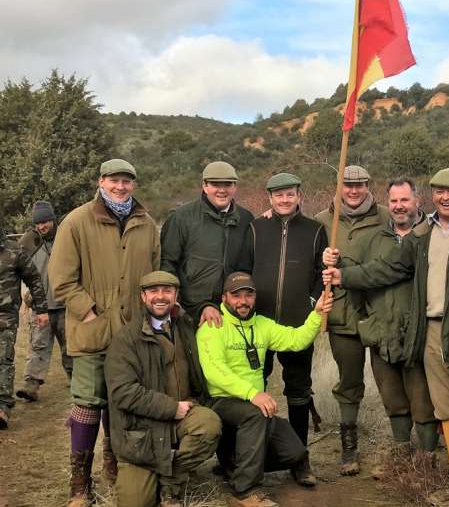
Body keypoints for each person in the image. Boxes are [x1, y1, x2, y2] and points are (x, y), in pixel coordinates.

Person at [324, 168, 449, 505]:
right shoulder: (422, 234)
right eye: (440, 192)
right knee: (446, 405)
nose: (445, 197)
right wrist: (344, 275)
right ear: (432, 196)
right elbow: (388, 268)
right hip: (429, 330)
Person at [50, 159, 160, 507]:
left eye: (127, 181)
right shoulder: (76, 221)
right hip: (92, 331)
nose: (120, 186)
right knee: (87, 403)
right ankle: (80, 482)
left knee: (122, 401)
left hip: (132, 334)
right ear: (101, 181)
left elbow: (156, 274)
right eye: (114, 180)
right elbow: (61, 279)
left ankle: (115, 466)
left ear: (134, 185)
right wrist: (90, 310)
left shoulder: (147, 223)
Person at [325, 178, 438, 477]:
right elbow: (357, 274)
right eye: (394, 201)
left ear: (417, 201)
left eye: (405, 200)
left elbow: (379, 272)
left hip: (418, 331)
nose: (400, 206)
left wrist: (346, 276)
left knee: (422, 398)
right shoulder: (376, 238)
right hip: (381, 330)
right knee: (393, 397)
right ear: (388, 204)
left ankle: (428, 458)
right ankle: (401, 452)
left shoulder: (431, 235)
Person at [197, 272, 333, 507]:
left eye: (248, 295)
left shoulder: (261, 325)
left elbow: (296, 339)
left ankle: (235, 464)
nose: (243, 301)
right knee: (257, 413)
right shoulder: (213, 326)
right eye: (236, 295)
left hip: (253, 405)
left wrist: (317, 313)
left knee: (295, 452)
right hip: (221, 401)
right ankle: (245, 490)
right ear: (225, 297)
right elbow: (215, 373)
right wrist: (253, 394)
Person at [105, 271, 222, 507]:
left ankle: (171, 482)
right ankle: (155, 474)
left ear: (176, 295)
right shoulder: (126, 339)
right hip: (141, 432)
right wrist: (171, 408)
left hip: (182, 418)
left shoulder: (185, 328)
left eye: (167, 291)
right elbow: (123, 392)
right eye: (154, 291)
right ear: (143, 296)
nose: (161, 297)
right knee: (135, 502)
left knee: (209, 425)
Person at [250, 172, 327, 486]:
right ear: (269, 197)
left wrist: (311, 301)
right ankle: (250, 456)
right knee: (254, 389)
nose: (284, 200)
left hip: (297, 325)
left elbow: (324, 273)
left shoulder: (315, 230)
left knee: (298, 391)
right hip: (259, 325)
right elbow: (241, 268)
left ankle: (300, 459)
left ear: (299, 195)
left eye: (290, 194)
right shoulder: (255, 228)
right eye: (278, 195)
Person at [314, 165, 389, 475]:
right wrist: (322, 259)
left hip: (380, 311)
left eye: (360, 185)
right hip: (343, 314)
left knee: (391, 382)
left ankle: (402, 446)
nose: (354, 190)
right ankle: (349, 448)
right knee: (349, 381)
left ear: (368, 186)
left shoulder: (385, 216)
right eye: (348, 185)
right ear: (339, 187)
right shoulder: (322, 222)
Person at [160, 161, 254, 326]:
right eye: (215, 184)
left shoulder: (246, 219)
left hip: (234, 310)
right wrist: (181, 304)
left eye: (228, 184)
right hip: (191, 312)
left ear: (235, 187)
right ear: (204, 186)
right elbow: (168, 263)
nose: (222, 190)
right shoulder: (181, 217)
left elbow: (249, 266)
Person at [17, 200, 72, 401]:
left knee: (72, 346)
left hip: (66, 304)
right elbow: (16, 269)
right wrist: (26, 296)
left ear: (53, 219)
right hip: (40, 306)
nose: (42, 227)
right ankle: (31, 384)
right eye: (38, 223)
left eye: (46, 222)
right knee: (38, 345)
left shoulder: (67, 236)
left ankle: (77, 380)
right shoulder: (27, 242)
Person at [0, 210, 48, 429]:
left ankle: (3, 407)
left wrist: (41, 309)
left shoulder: (15, 251)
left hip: (5, 318)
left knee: (4, 361)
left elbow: (35, 280)